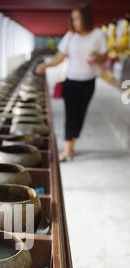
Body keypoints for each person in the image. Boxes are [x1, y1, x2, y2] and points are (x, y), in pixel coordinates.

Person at [36, 2, 108, 162]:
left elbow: (104, 55)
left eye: (79, 18)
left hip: (88, 82)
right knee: (71, 115)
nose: (76, 22)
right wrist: (45, 65)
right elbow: (59, 58)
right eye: (74, 19)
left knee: (81, 114)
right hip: (71, 82)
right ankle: (67, 151)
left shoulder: (98, 35)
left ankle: (71, 145)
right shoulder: (70, 36)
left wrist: (97, 58)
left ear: (87, 19)